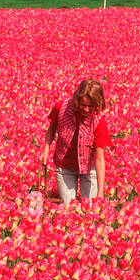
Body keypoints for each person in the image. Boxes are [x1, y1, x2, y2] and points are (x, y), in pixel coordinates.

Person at [41, 78, 111, 206]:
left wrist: (100, 194)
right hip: (65, 165)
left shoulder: (99, 122)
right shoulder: (61, 108)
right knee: (68, 208)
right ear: (77, 99)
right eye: (83, 105)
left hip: (89, 168)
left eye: (90, 106)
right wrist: (46, 151)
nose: (85, 109)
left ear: (97, 104)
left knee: (89, 208)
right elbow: (51, 128)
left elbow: (100, 159)